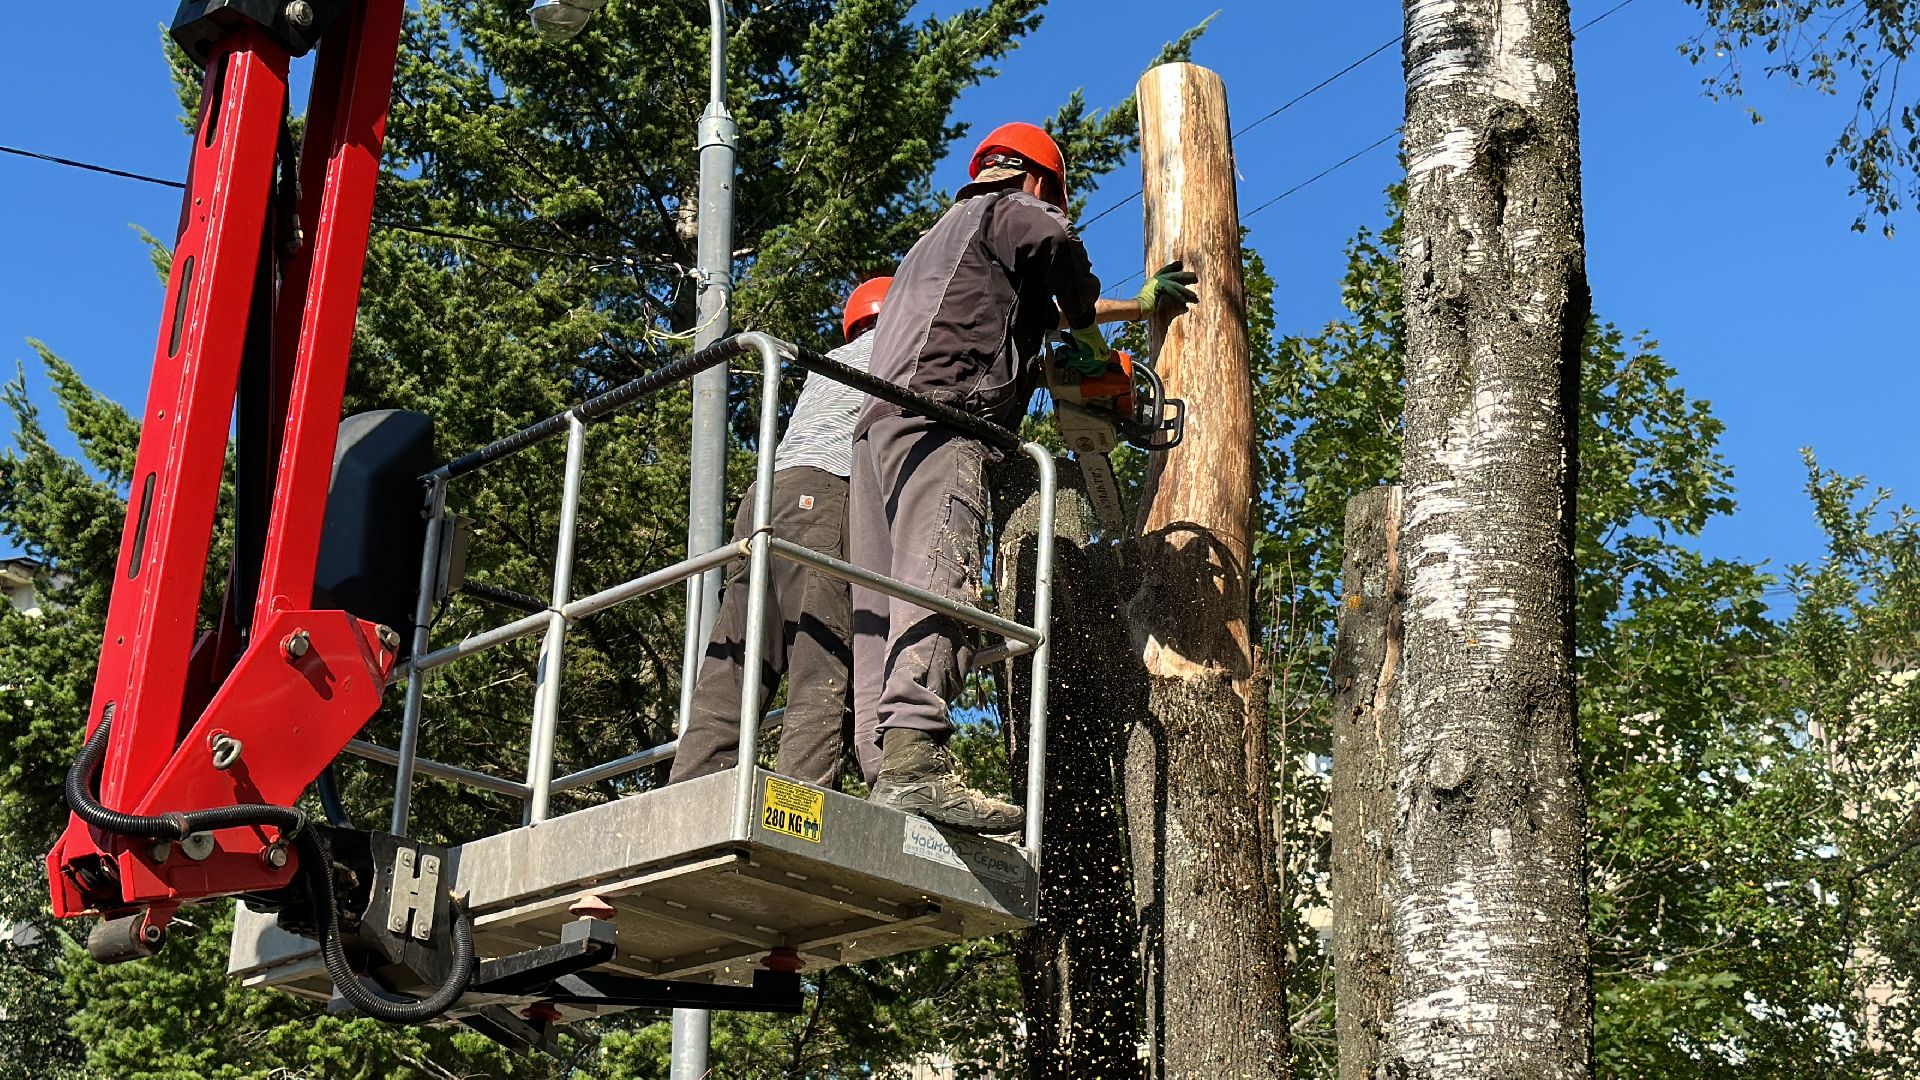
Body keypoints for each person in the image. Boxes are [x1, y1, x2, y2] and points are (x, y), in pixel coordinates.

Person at [849, 122, 1198, 832]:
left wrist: (1134, 308)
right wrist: (1089, 331)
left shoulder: (940, 243)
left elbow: (1035, 309)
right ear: (1038, 180)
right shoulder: (1010, 209)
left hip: (878, 430)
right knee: (938, 577)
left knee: (880, 604)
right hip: (943, 418)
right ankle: (916, 765)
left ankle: (885, 767)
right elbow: (1055, 243)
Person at [668, 277, 893, 790]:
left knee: (740, 651)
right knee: (821, 649)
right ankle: (801, 801)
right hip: (825, 491)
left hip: (766, 496)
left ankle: (693, 786)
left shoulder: (833, 361)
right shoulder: (895, 349)